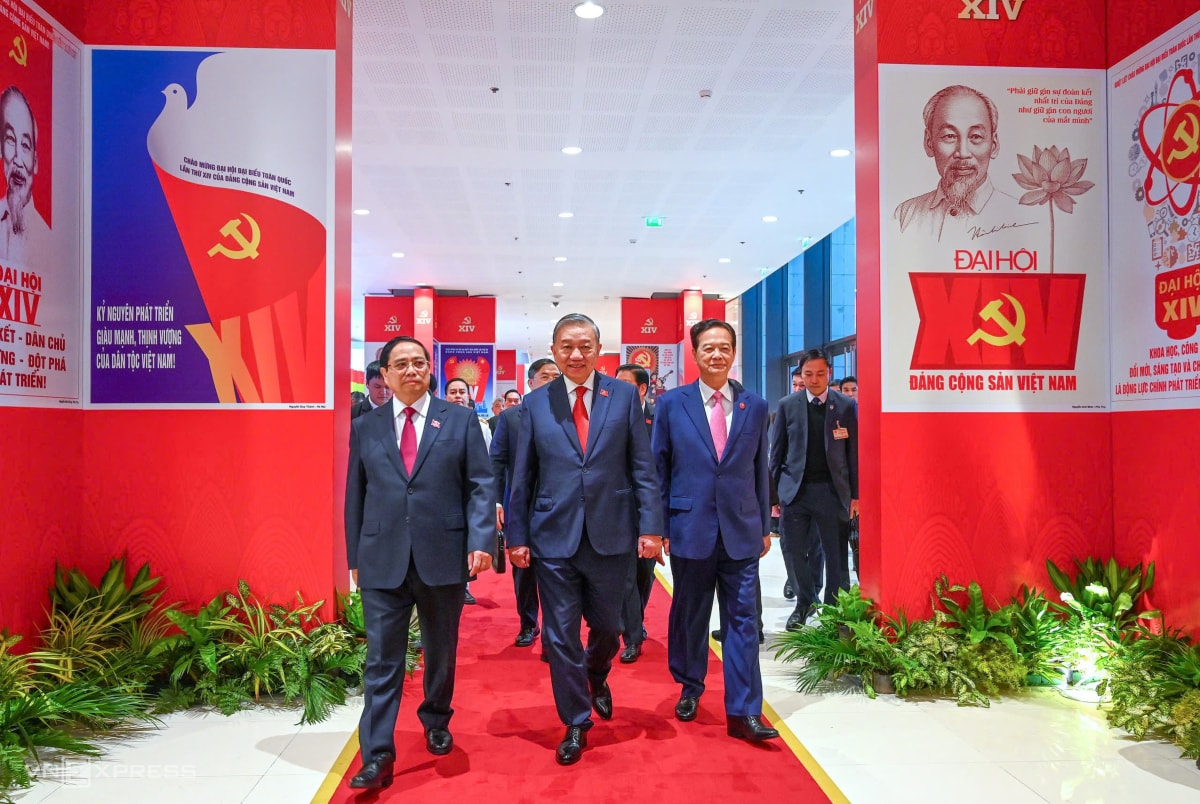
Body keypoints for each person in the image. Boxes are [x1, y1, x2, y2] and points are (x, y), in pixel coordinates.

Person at [506, 313, 663, 766]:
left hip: (612, 532)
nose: (576, 355)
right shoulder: (535, 403)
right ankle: (575, 720)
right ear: (554, 350)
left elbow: (642, 467)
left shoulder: (624, 397)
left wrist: (651, 527)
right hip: (553, 535)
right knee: (559, 635)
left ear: (599, 349)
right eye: (567, 346)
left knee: (610, 627)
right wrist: (517, 535)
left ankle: (596, 674)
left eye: (585, 346)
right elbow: (523, 475)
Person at [344, 336, 495, 789]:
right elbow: (355, 494)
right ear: (385, 375)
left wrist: (481, 540)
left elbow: (480, 485)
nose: (411, 370)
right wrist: (354, 555)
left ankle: (436, 718)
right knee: (382, 659)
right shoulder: (365, 426)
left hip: (442, 554)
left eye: (419, 363)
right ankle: (377, 753)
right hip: (381, 557)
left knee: (440, 650)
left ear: (429, 370)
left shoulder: (460, 420)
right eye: (401, 364)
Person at [652, 320, 778, 742]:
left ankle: (745, 711)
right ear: (695, 354)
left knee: (744, 620)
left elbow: (759, 469)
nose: (717, 354)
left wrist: (764, 525)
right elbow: (659, 469)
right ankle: (690, 685)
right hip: (689, 528)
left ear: (733, 353)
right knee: (691, 613)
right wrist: (658, 526)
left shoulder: (754, 406)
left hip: (741, 530)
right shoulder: (672, 404)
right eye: (708, 348)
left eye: (724, 347)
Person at [770, 348, 859, 631]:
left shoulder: (845, 405)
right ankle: (805, 602)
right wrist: (774, 495)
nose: (814, 379)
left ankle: (834, 610)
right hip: (795, 492)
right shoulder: (787, 405)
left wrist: (856, 495)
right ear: (801, 374)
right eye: (808, 374)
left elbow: (853, 454)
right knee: (793, 551)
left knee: (835, 556)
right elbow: (777, 453)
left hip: (832, 492)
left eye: (820, 374)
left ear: (829, 373)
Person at [892, 85, 1028, 241]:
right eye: (949, 136)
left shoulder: (1023, 219)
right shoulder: (905, 215)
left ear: (994, 145)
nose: (963, 153)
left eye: (975, 136)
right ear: (929, 142)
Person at [491, 358, 561, 650]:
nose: (552, 380)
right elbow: (497, 462)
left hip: (560, 507)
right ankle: (528, 623)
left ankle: (554, 635)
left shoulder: (569, 414)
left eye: (556, 376)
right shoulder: (510, 418)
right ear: (530, 383)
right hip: (521, 506)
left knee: (558, 572)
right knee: (523, 569)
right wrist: (496, 501)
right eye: (546, 376)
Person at [614, 363, 656, 663]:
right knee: (625, 575)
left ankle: (635, 619)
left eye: (625, 384)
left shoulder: (660, 417)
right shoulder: (610, 415)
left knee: (644, 573)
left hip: (651, 508)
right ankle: (632, 635)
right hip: (619, 507)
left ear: (641, 389)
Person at [0, 86, 49, 265]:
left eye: (26, 145)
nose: (18, 160)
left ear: (35, 163)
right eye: (10, 140)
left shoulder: (49, 241)